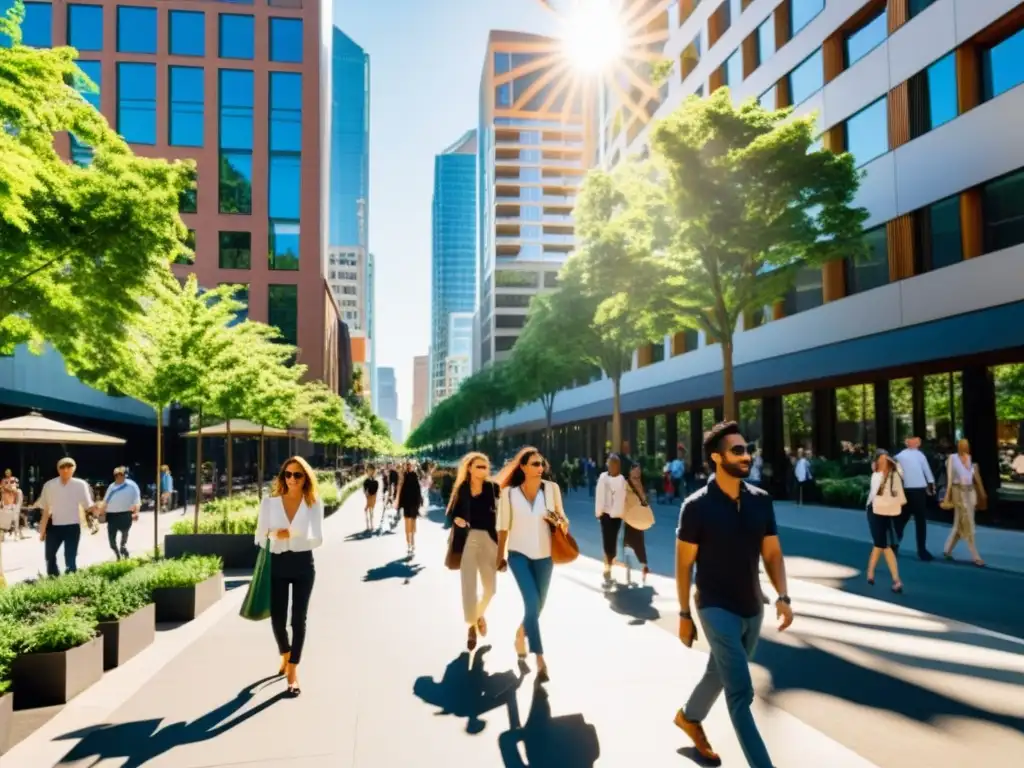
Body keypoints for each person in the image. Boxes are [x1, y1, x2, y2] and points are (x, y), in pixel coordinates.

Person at [674, 421, 793, 767]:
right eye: (737, 450)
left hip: (752, 606)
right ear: (716, 457)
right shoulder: (695, 506)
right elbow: (683, 566)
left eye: (747, 449)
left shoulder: (761, 501)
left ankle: (689, 717)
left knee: (719, 670)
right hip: (714, 606)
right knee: (739, 692)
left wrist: (783, 596)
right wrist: (684, 614)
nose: (747, 455)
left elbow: (771, 553)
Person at [495, 447, 569, 683]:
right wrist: (500, 556)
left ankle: (520, 633)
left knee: (538, 607)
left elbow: (563, 519)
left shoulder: (551, 489)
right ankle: (540, 659)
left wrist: (559, 522)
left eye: (541, 464)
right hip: (518, 556)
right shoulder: (509, 494)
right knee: (531, 602)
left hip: (545, 556)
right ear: (523, 467)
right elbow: (503, 527)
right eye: (535, 464)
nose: (540, 468)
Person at [255, 455, 324, 697]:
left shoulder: (313, 503)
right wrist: (277, 535)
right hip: (278, 564)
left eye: (298, 474)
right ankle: (285, 654)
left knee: (298, 620)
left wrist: (290, 533)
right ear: (283, 477)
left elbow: (318, 537)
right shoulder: (269, 503)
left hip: (304, 564)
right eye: (288, 474)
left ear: (306, 477)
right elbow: (259, 536)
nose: (292, 479)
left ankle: (293, 671)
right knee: (277, 619)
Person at [446, 452, 500, 651]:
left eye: (485, 467)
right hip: (468, 540)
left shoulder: (493, 488)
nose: (483, 470)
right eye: (479, 467)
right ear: (469, 468)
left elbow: (503, 515)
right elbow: (452, 513)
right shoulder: (462, 489)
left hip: (489, 540)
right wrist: (457, 519)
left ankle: (477, 615)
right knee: (469, 587)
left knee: (490, 589)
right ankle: (471, 627)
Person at [38, 458, 98, 576]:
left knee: (70, 558)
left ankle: (71, 584)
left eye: (69, 467)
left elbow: (88, 505)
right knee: (49, 556)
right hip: (54, 527)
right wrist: (42, 530)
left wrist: (98, 511)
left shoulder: (80, 485)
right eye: (62, 467)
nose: (66, 470)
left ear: (74, 468)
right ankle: (53, 579)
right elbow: (45, 510)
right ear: (58, 469)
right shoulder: (49, 485)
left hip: (72, 526)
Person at [941, 439, 986, 566]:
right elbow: (950, 479)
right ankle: (975, 555)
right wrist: (947, 496)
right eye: (962, 445)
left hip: (970, 491)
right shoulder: (952, 458)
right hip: (958, 492)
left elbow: (973, 476)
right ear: (958, 447)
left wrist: (982, 493)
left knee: (961, 522)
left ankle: (948, 549)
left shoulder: (970, 459)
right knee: (967, 522)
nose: (965, 447)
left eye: (966, 445)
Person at [866, 450, 905, 593]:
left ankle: (871, 574)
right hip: (881, 511)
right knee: (883, 545)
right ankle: (895, 580)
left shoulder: (882, 475)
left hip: (878, 511)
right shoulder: (883, 476)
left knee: (881, 544)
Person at [894, 436, 935, 560]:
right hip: (919, 490)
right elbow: (927, 471)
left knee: (901, 519)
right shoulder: (920, 455)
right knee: (920, 521)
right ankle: (922, 550)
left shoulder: (899, 456)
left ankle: (894, 545)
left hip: (906, 489)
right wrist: (931, 485)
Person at [594, 454, 627, 584]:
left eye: (615, 464)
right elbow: (599, 495)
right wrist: (598, 512)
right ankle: (607, 565)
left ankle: (610, 559)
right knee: (606, 539)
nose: (612, 467)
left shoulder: (622, 480)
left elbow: (624, 498)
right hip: (605, 514)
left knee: (613, 539)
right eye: (610, 464)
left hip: (617, 515)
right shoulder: (603, 478)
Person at [101, 466, 140, 560]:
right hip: (112, 516)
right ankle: (118, 555)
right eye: (116, 475)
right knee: (111, 540)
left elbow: (137, 500)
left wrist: (136, 512)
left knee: (125, 533)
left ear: (124, 475)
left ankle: (123, 547)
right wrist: (101, 512)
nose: (119, 477)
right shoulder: (112, 486)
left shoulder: (132, 485)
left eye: (121, 475)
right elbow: (105, 501)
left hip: (125, 514)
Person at [623, 464, 652, 584]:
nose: (637, 473)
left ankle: (644, 567)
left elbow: (645, 502)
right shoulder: (626, 484)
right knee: (627, 543)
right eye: (635, 471)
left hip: (638, 519)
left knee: (640, 544)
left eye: (638, 471)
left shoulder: (640, 484)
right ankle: (628, 569)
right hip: (629, 518)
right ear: (630, 472)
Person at [394, 461, 424, 557]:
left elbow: (419, 490)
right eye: (408, 465)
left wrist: (419, 503)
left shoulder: (415, 476)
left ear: (413, 466)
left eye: (411, 465)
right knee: (407, 526)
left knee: (413, 527)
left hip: (414, 504)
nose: (409, 467)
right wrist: (397, 502)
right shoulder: (403, 477)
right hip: (406, 504)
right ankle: (409, 545)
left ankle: (412, 542)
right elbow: (399, 489)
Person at [362, 465, 379, 533]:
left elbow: (375, 490)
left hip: (373, 497)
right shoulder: (366, 481)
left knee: (371, 510)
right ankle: (369, 525)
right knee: (369, 510)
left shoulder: (375, 481)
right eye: (369, 470)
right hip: (369, 497)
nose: (370, 472)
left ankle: (371, 525)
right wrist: (366, 492)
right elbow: (365, 490)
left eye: (371, 470)